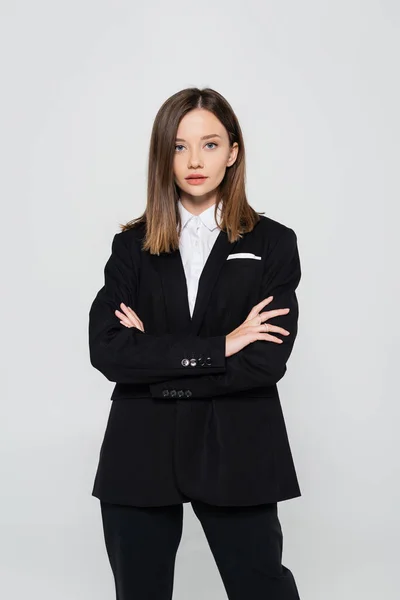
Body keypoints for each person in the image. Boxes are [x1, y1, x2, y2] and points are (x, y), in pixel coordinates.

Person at [88, 87, 302, 599]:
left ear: (233, 152)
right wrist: (220, 345)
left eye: (209, 144)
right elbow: (108, 350)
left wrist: (155, 361)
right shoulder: (132, 246)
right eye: (179, 147)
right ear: (164, 156)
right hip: (140, 449)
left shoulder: (272, 243)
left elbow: (265, 360)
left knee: (262, 589)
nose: (194, 161)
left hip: (237, 443)